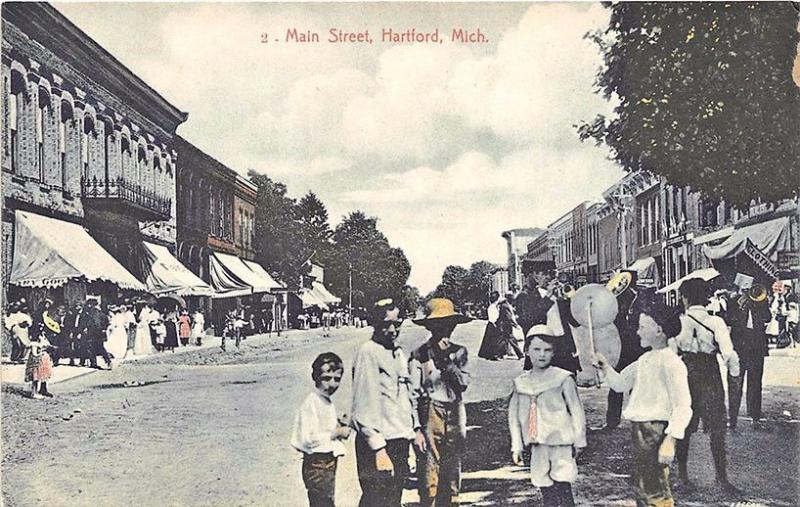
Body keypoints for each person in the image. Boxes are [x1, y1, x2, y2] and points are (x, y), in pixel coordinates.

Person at [594, 296, 692, 507]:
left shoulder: (671, 363)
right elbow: (620, 384)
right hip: (640, 430)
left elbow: (683, 406)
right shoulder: (645, 359)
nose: (637, 332)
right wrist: (604, 366)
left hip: (656, 431)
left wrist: (671, 440)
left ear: (658, 329)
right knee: (643, 488)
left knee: (656, 491)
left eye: (642, 327)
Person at [670, 278, 740, 493]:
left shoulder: (678, 322)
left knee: (684, 426)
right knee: (717, 428)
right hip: (710, 374)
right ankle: (721, 478)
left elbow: (671, 353)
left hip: (686, 373)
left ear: (686, 297)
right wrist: (735, 376)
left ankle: (682, 477)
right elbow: (730, 355)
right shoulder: (715, 322)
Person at [508, 325, 586, 506]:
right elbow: (513, 418)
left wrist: (580, 439)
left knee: (562, 484)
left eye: (547, 350)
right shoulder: (521, 383)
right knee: (544, 485)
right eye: (536, 349)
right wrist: (516, 445)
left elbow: (576, 410)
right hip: (537, 443)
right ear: (526, 351)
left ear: (554, 353)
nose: (541, 354)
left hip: (560, 441)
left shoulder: (563, 378)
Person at [351, 298, 417, 507]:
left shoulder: (398, 353)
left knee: (393, 499)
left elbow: (405, 398)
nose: (391, 330)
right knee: (376, 500)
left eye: (396, 324)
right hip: (378, 443)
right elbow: (363, 405)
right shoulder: (368, 352)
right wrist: (379, 449)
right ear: (375, 324)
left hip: (398, 439)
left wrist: (413, 431)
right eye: (385, 324)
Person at [409, 298, 471, 506]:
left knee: (452, 467)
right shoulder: (420, 354)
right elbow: (413, 393)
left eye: (449, 324)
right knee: (429, 467)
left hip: (454, 410)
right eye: (439, 325)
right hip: (430, 411)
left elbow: (463, 383)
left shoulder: (459, 352)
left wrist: (447, 361)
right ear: (429, 326)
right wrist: (416, 428)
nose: (445, 330)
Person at [291, 352, 350, 507]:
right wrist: (335, 433)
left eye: (337, 379)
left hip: (327, 462)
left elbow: (322, 428)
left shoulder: (324, 400)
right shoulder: (311, 403)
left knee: (327, 500)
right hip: (317, 464)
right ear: (315, 377)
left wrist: (338, 425)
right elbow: (307, 438)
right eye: (326, 378)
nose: (331, 384)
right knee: (322, 502)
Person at [596, 271, 646, 433]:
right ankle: (612, 421)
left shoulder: (639, 299)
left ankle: (640, 419)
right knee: (615, 384)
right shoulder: (618, 300)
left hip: (637, 348)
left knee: (637, 385)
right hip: (621, 347)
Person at [727, 285, 771, 431]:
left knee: (755, 383)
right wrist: (738, 304)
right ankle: (732, 419)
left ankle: (755, 418)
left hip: (756, 348)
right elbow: (728, 319)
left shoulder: (761, 302)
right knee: (735, 383)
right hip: (740, 348)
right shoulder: (734, 301)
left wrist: (761, 303)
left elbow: (768, 318)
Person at [81, 299, 112, 370]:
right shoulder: (101, 313)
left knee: (91, 348)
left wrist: (88, 328)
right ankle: (108, 361)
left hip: (93, 333)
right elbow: (106, 322)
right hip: (100, 333)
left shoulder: (93, 312)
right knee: (101, 348)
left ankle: (94, 363)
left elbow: (95, 323)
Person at [25, 328, 54, 399]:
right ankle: (34, 392)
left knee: (43, 375)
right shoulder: (34, 343)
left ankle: (42, 389)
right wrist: (42, 352)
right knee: (36, 376)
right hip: (37, 361)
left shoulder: (42, 338)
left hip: (43, 360)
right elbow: (35, 354)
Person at [478, 291, 504, 360]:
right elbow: (493, 317)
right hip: (493, 324)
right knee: (494, 341)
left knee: (489, 340)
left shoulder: (492, 306)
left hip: (491, 324)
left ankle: (488, 354)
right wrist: (495, 324)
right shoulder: (492, 307)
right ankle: (493, 355)